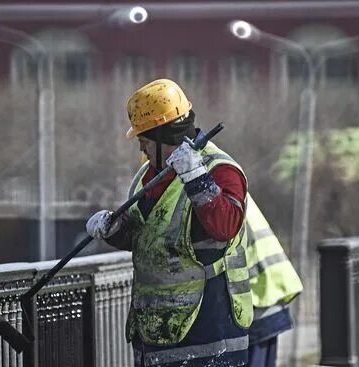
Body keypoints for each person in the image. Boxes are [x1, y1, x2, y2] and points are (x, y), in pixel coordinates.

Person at [86, 78, 303, 367]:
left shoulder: (220, 169)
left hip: (209, 337)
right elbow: (147, 236)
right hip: (157, 335)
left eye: (145, 142)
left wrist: (197, 178)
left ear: (164, 136)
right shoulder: (148, 176)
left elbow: (224, 228)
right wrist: (115, 230)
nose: (142, 150)